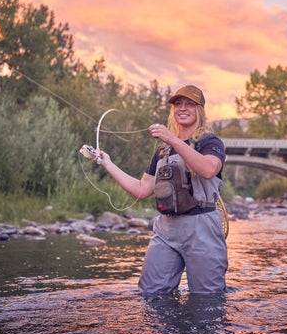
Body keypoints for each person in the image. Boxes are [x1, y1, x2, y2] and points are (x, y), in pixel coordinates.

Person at [96, 85, 228, 295]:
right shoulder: (162, 151)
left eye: (189, 104)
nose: (182, 108)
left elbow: (209, 169)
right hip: (166, 230)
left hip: (202, 227)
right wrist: (108, 164)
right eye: (178, 104)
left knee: (207, 299)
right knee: (151, 294)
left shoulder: (210, 142)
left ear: (200, 110)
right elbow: (141, 190)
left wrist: (173, 139)